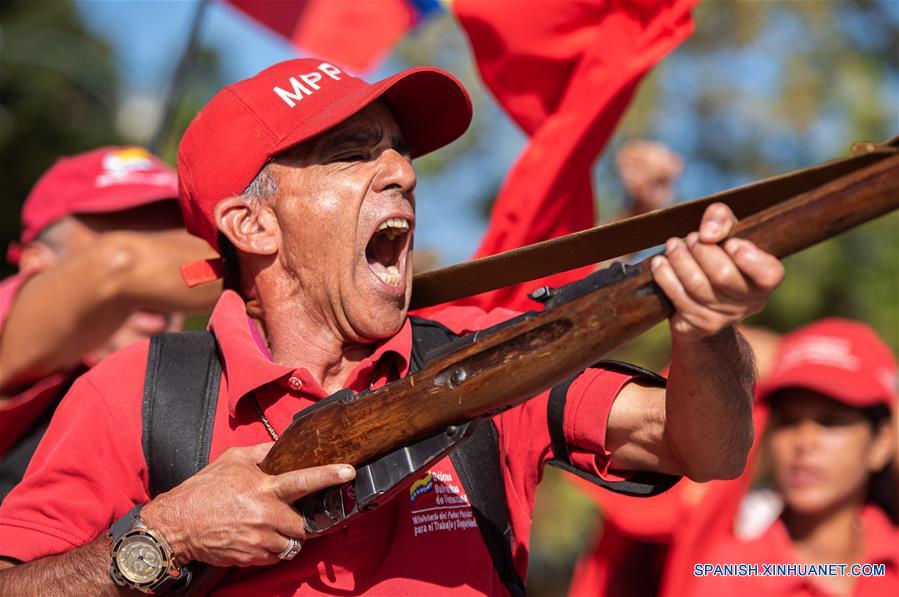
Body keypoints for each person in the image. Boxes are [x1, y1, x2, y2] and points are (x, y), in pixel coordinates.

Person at [0, 58, 784, 595]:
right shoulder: (141, 390)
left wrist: (705, 329)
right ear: (251, 223)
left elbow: (705, 448)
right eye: (351, 154)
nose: (403, 173)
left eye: (400, 152)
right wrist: (164, 537)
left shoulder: (478, 359)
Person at [0, 146, 220, 499]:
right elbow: (118, 267)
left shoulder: (207, 387)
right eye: (135, 239)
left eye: (179, 241)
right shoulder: (14, 338)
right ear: (37, 265)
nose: (161, 282)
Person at [660, 319, 897, 597]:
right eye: (788, 422)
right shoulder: (731, 577)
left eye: (830, 422)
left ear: (881, 443)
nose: (804, 442)